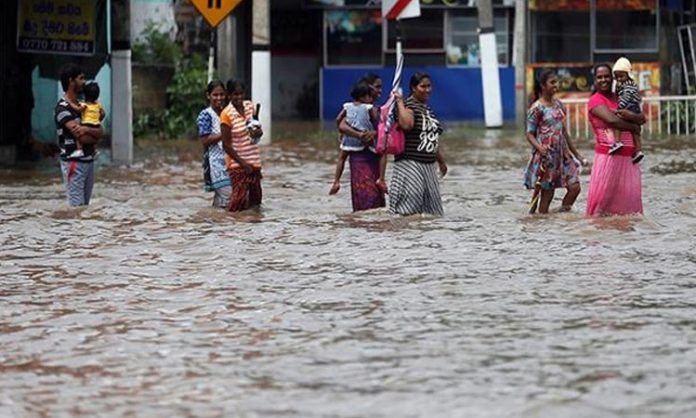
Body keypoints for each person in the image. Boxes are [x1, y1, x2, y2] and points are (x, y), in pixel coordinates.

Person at [379, 72, 447, 217]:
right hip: (411, 165)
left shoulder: (427, 109)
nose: (427, 90)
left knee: (432, 215)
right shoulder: (407, 106)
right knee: (408, 214)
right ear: (413, 88)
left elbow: (432, 138)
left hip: (428, 167)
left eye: (429, 86)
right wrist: (399, 102)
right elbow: (407, 125)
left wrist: (441, 162)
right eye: (423, 86)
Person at [586, 63, 645, 217]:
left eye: (607, 76)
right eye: (599, 77)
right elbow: (613, 121)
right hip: (608, 158)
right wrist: (634, 127)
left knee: (629, 211)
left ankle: (623, 240)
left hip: (629, 159)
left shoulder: (620, 96)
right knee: (600, 209)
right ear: (594, 80)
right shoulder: (595, 100)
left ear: (613, 78)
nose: (603, 80)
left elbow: (641, 118)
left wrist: (633, 117)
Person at [524, 70, 586, 214]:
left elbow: (564, 132)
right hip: (547, 156)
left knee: (575, 187)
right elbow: (529, 134)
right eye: (552, 82)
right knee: (547, 195)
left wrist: (577, 155)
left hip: (563, 154)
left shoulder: (559, 104)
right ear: (543, 86)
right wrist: (540, 148)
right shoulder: (536, 108)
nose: (556, 85)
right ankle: (545, 225)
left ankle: (561, 216)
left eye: (556, 82)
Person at [334, 73, 386, 212]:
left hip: (371, 158)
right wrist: (360, 135)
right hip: (359, 159)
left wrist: (374, 133)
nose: (380, 90)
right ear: (367, 89)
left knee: (374, 202)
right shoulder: (358, 110)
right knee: (365, 199)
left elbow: (387, 130)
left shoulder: (376, 110)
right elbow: (342, 125)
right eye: (377, 87)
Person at [55, 64, 103, 207]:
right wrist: (96, 133)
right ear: (71, 81)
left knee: (84, 209)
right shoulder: (62, 109)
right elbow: (82, 138)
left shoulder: (84, 107)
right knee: (76, 209)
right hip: (73, 163)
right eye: (81, 78)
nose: (84, 82)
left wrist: (90, 131)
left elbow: (99, 131)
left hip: (88, 162)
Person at [220, 79, 263, 212]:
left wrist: (258, 132)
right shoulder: (226, 114)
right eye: (235, 94)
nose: (239, 97)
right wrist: (243, 164)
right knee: (238, 204)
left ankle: (252, 231)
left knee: (255, 203)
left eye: (241, 93)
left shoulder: (250, 107)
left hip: (254, 162)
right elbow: (226, 145)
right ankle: (232, 228)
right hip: (237, 166)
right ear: (229, 95)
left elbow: (257, 132)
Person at [329, 81, 378, 195]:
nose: (371, 98)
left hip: (349, 140)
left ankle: (336, 181)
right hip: (365, 139)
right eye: (369, 96)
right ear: (363, 96)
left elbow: (338, 119)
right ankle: (381, 178)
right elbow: (377, 121)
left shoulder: (347, 106)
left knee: (341, 158)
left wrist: (341, 132)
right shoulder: (369, 107)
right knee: (381, 154)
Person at [197, 79, 232, 208]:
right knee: (228, 198)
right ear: (208, 96)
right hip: (215, 164)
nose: (219, 98)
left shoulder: (227, 113)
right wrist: (224, 133)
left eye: (222, 94)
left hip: (230, 163)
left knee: (223, 200)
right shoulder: (206, 115)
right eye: (215, 95)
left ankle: (214, 222)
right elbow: (204, 140)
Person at [607, 57, 645, 164]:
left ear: (628, 74)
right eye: (617, 77)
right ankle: (638, 150)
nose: (619, 79)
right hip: (636, 108)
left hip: (628, 107)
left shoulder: (625, 86)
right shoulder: (633, 85)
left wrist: (620, 108)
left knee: (616, 122)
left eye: (621, 76)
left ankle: (617, 141)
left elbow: (625, 98)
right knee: (636, 132)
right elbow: (638, 98)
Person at [65, 81, 105, 159]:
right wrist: (98, 119)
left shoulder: (85, 105)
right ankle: (94, 150)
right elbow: (103, 113)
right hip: (96, 124)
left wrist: (69, 102)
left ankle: (79, 149)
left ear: (85, 95)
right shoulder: (98, 104)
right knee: (93, 137)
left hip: (86, 123)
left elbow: (78, 109)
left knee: (77, 133)